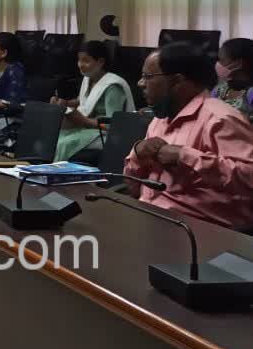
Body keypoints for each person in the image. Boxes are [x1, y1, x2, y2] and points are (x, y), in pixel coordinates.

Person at [125, 42, 253, 229]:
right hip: (150, 216)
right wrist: (138, 153)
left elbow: (249, 177)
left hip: (198, 230)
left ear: (177, 81)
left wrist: (185, 156)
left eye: (147, 77)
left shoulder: (220, 119)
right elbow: (132, 186)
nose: (140, 83)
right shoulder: (160, 119)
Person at [53, 41, 135, 161]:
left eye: (86, 61)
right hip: (88, 129)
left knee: (64, 143)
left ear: (100, 62)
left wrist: (83, 120)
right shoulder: (88, 78)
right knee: (52, 137)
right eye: (79, 60)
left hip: (108, 135)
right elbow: (84, 100)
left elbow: (114, 125)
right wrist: (65, 103)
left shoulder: (112, 86)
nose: (80, 65)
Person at [212, 37, 253, 117]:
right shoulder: (219, 90)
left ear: (238, 64)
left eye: (221, 60)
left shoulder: (251, 93)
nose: (218, 64)